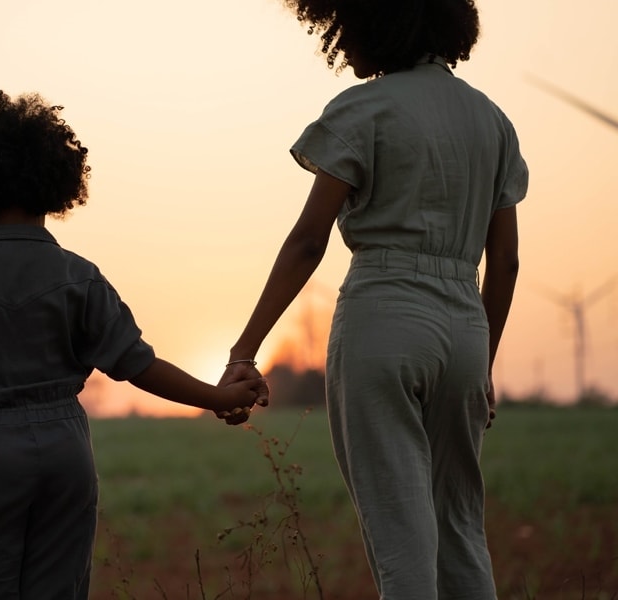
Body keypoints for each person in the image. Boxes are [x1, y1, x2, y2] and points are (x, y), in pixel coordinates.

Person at [0, 90, 267, 600]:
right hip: (66, 447)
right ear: (55, 183)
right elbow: (138, 364)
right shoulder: (77, 276)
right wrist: (217, 398)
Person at [217, 0, 528, 597]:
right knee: (461, 526)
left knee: (401, 532)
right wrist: (483, 362)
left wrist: (245, 347)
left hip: (383, 315)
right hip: (466, 326)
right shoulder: (493, 121)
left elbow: (309, 242)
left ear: (373, 24)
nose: (343, 51)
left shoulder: (365, 108)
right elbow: (506, 261)